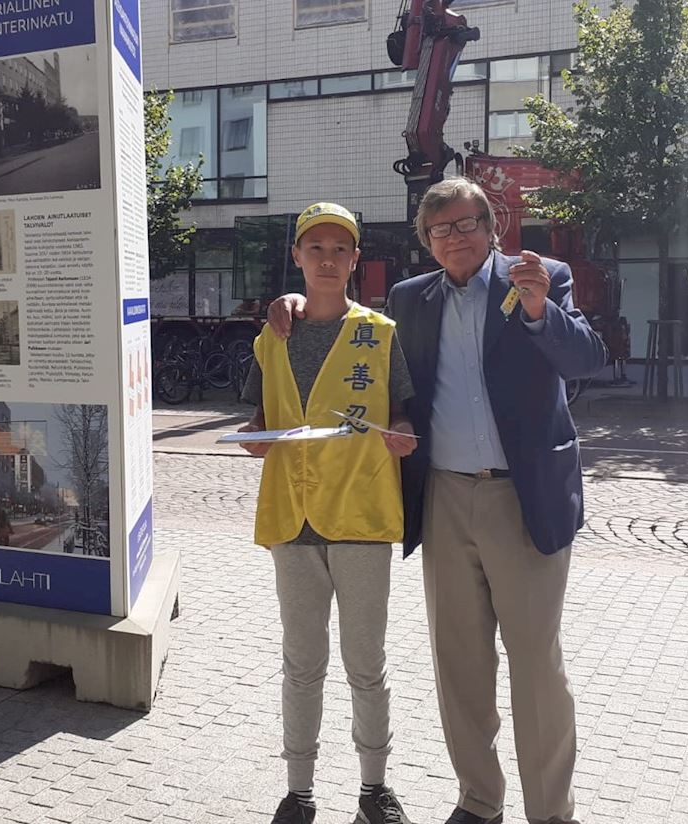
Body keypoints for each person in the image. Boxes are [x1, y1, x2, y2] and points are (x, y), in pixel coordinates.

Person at [269, 179, 607, 824]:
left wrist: (540, 310)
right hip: (445, 497)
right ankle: (479, 802)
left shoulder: (541, 278)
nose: (456, 237)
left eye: (467, 223)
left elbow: (587, 359)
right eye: (441, 229)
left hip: (521, 497)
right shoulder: (409, 298)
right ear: (427, 241)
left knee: (535, 663)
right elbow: (353, 335)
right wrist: (294, 300)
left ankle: (550, 812)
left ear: (491, 227)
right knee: (459, 664)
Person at [239, 202, 418, 824]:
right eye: (315, 248)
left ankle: (374, 789)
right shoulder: (273, 335)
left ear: (355, 259)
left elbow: (402, 410)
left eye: (340, 249)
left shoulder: (380, 333)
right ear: (296, 256)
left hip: (361, 515)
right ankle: (299, 791)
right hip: (294, 519)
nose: (327, 259)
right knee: (301, 664)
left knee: (366, 665)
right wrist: (254, 437)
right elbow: (260, 418)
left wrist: (402, 433)